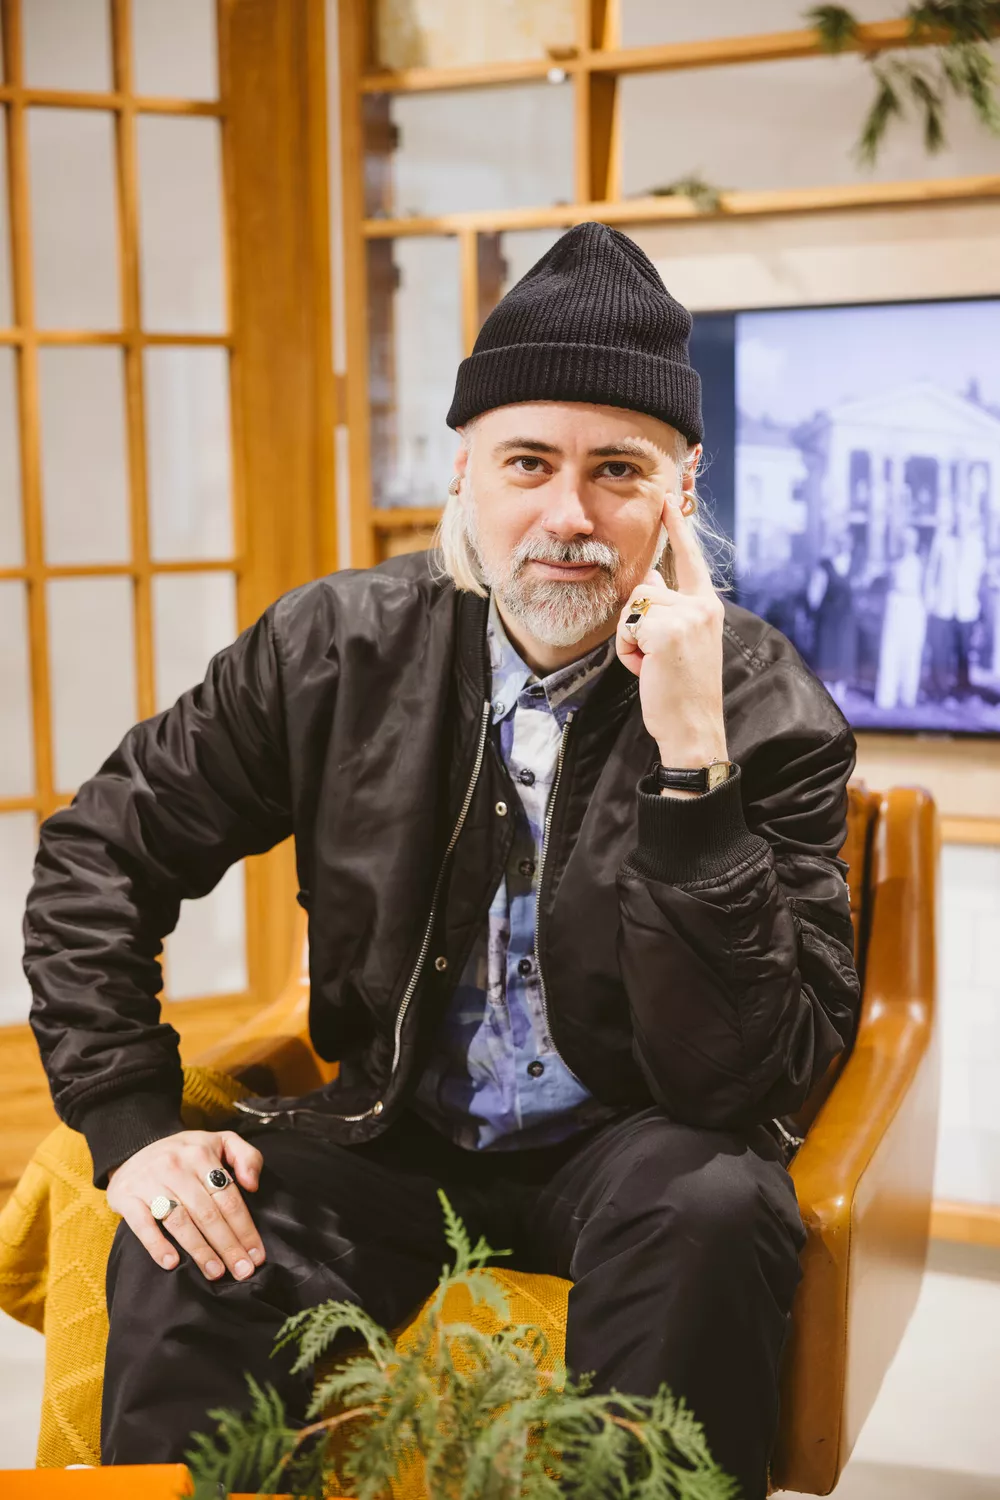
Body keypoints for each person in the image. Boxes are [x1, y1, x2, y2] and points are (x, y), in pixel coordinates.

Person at [23, 224, 860, 1500]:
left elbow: (744, 1078)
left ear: (681, 492)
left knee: (716, 1206)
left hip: (634, 1150)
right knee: (191, 1248)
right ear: (463, 468)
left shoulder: (766, 709)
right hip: (390, 1132)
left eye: (617, 470)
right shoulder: (332, 648)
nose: (567, 516)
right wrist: (132, 1122)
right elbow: (100, 852)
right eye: (528, 462)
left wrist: (692, 759)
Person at [875, 525, 926, 712]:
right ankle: (886, 696)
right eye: (904, 541)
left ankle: (908, 695)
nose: (907, 544)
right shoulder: (894, 564)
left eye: (910, 541)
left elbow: (925, 588)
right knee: (890, 649)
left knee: (911, 650)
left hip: (913, 604)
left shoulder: (920, 564)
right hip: (895, 603)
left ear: (915, 543)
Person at [806, 530, 857, 703]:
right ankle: (827, 687)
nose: (844, 546)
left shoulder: (854, 564)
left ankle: (840, 686)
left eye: (847, 542)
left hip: (846, 616)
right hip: (828, 615)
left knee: (844, 649)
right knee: (827, 649)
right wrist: (814, 610)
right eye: (840, 542)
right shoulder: (826, 564)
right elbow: (815, 590)